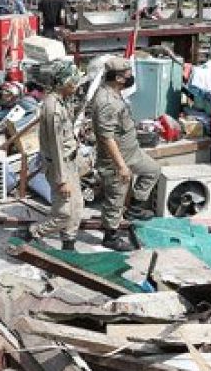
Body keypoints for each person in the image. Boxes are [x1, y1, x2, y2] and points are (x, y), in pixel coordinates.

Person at [91, 57, 160, 251]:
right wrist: (121, 166)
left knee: (153, 170)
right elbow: (107, 137)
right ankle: (110, 236)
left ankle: (135, 208)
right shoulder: (106, 101)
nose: (131, 78)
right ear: (119, 78)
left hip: (132, 151)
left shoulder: (115, 93)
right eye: (128, 75)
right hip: (116, 159)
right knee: (116, 197)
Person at [17, 62, 83, 251]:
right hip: (59, 166)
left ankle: (68, 245)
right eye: (73, 82)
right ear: (64, 83)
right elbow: (55, 147)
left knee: (77, 207)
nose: (76, 86)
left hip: (69, 162)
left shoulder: (62, 100)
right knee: (64, 213)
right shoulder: (53, 108)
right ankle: (33, 232)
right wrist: (62, 180)